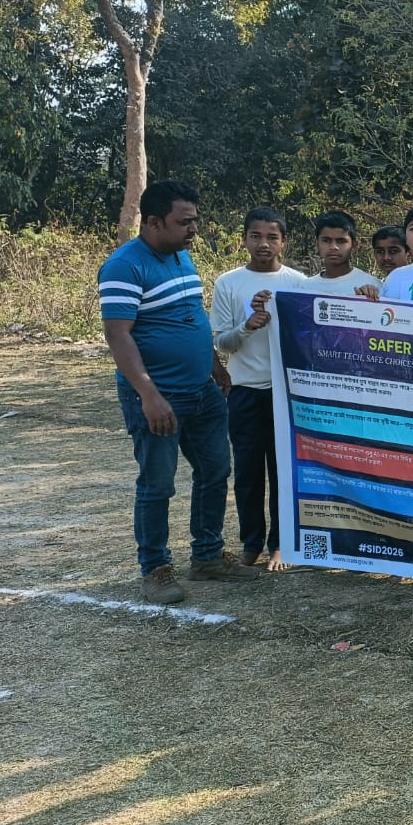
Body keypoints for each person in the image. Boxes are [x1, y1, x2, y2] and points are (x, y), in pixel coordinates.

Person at [99, 180, 261, 603]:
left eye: (194, 220)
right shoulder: (124, 266)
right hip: (158, 397)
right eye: (184, 222)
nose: (194, 229)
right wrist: (148, 395)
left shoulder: (181, 255)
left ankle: (207, 556)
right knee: (158, 485)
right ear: (154, 222)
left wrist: (214, 365)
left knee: (215, 472)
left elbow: (190, 316)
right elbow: (118, 336)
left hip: (201, 391)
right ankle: (155, 569)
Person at [212, 207, 306, 570]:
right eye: (256, 236)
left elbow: (309, 337)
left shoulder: (299, 282)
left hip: (287, 392)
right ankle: (251, 543)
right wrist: (248, 324)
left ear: (284, 242)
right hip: (245, 391)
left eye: (272, 237)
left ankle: (281, 544)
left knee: (284, 471)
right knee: (248, 472)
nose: (263, 244)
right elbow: (223, 343)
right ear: (244, 240)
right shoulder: (228, 283)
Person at [304, 212, 379, 296]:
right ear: (317, 243)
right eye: (326, 240)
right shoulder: (305, 287)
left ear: (354, 244)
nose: (333, 247)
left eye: (341, 241)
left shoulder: (372, 286)